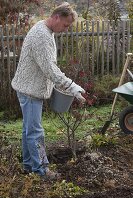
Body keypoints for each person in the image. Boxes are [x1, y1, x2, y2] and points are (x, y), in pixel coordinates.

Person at [11, 2, 86, 180]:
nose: (66, 29)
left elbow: (47, 67)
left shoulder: (46, 31)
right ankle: (42, 170)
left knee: (28, 130)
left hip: (28, 89)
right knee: (36, 132)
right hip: (29, 92)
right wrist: (71, 86)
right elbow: (50, 70)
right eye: (66, 25)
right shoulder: (41, 36)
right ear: (56, 17)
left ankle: (29, 166)